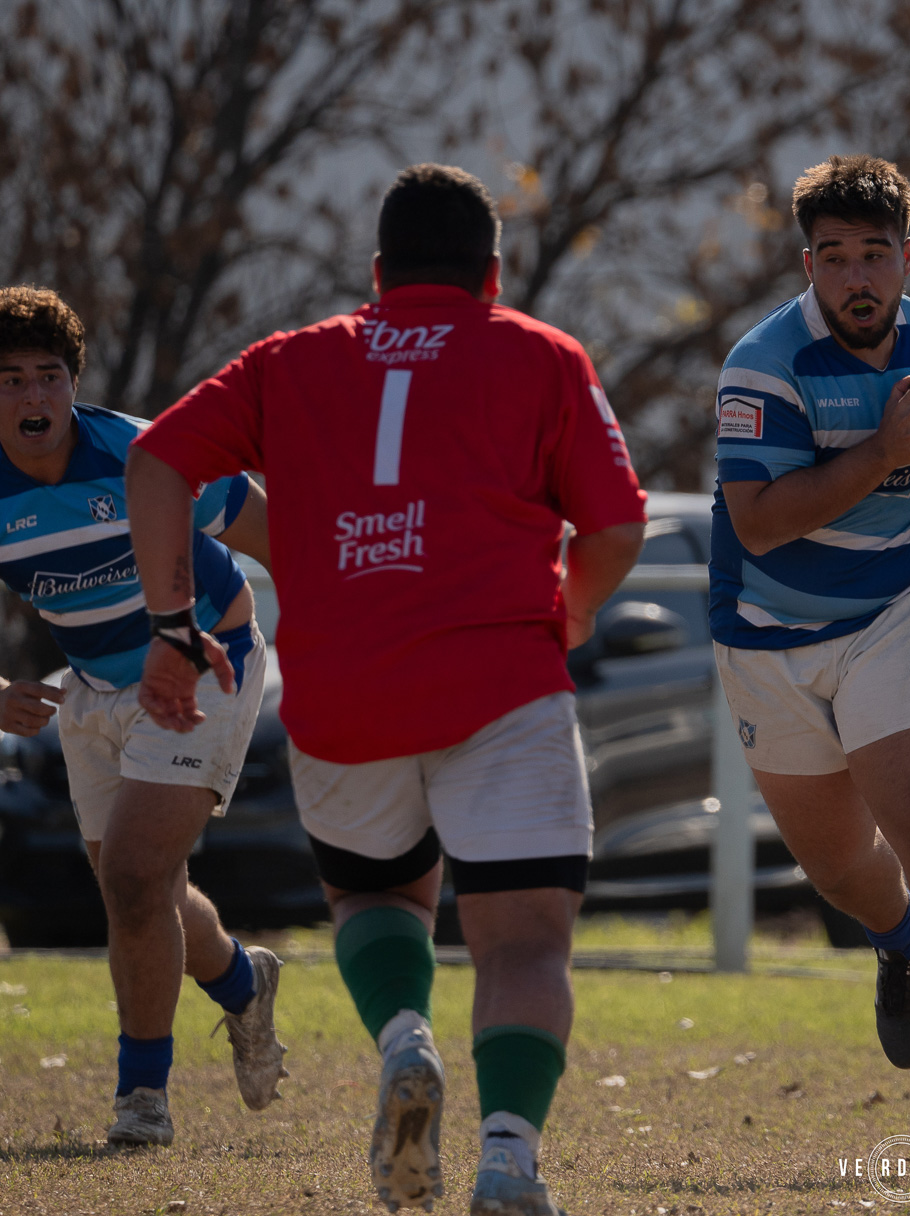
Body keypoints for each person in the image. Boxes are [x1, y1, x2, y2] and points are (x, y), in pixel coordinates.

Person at [125, 164, 647, 1215]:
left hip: (343, 695)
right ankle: (508, 1161)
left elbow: (155, 460)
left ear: (377, 272)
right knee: (524, 940)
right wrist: (575, 609)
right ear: (492, 274)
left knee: (377, 897)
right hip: (501, 685)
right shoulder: (541, 352)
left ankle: (407, 1039)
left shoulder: (289, 359)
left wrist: (174, 626)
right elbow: (617, 524)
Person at [710, 154, 910, 1156]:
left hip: (896, 613)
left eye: (875, 255)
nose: (857, 276)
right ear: (808, 264)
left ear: (907, 258)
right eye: (836, 256)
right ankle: (898, 944)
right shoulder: (763, 364)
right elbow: (761, 523)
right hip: (769, 637)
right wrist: (884, 452)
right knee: (842, 865)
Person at [0, 285, 281, 1147]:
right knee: (140, 891)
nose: (33, 396)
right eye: (10, 379)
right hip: (91, 688)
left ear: (74, 383)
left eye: (49, 376)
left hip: (207, 664)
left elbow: (278, 534)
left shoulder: (141, 454)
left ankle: (142, 1100)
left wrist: (352, 634)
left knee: (132, 875)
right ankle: (244, 985)